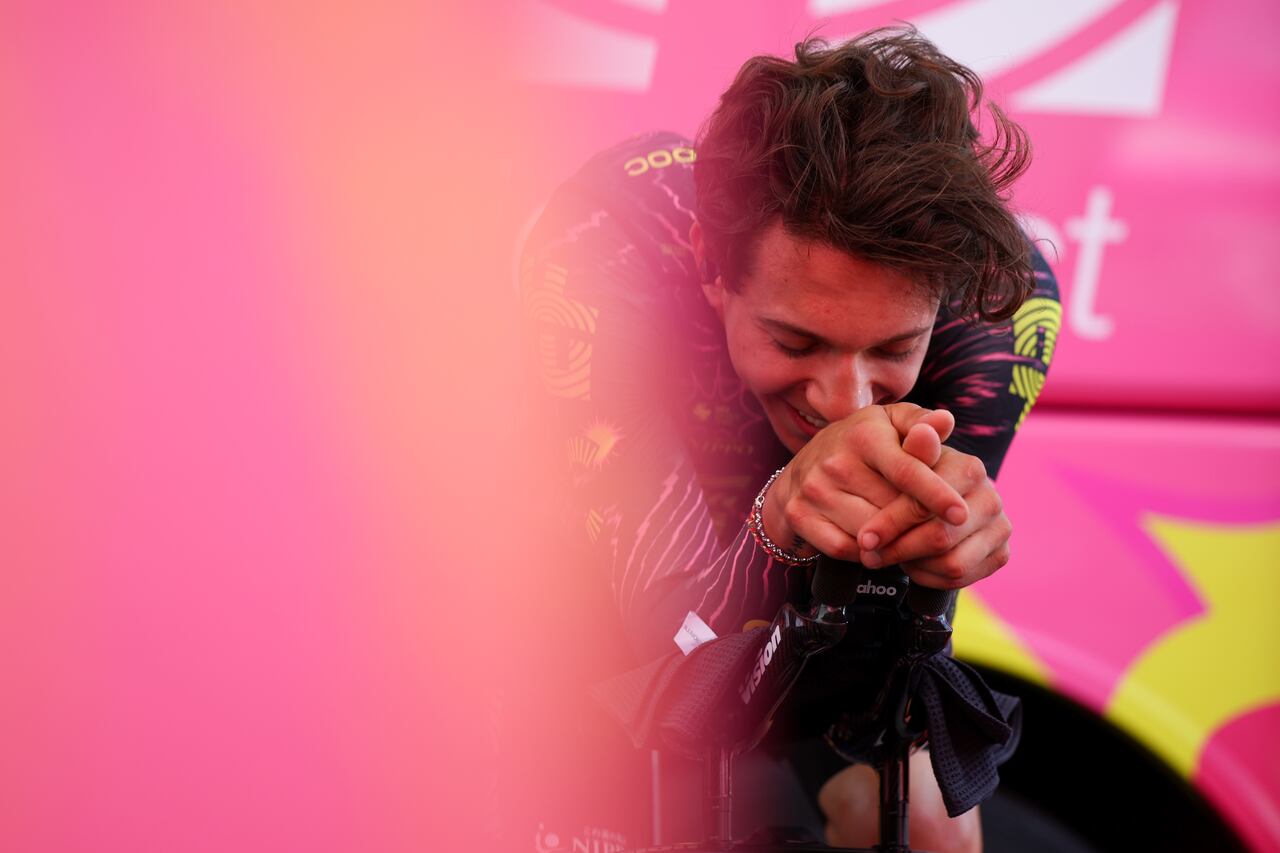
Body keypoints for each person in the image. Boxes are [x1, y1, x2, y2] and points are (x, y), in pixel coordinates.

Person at [518, 26, 1061, 853]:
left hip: (790, 629)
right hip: (585, 613)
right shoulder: (602, 250)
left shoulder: (1003, 300)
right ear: (709, 263)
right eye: (797, 342)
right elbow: (677, 662)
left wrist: (934, 555)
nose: (845, 401)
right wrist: (782, 511)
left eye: (891, 349)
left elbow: (875, 677)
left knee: (933, 829)